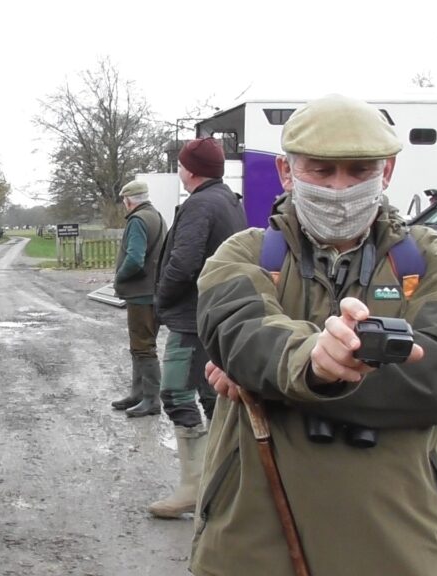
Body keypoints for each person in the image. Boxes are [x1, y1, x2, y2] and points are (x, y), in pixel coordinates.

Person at [193, 94, 437, 574]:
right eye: (321, 170)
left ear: (386, 172)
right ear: (287, 172)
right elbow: (240, 332)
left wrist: (282, 381)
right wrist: (311, 359)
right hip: (254, 543)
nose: (340, 187)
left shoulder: (434, 260)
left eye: (358, 170)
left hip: (402, 541)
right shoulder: (241, 255)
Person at [149, 137, 246, 518]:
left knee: (176, 394)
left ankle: (196, 486)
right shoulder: (228, 200)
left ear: (189, 169)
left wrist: (161, 300)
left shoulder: (200, 204)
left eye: (180, 164)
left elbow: (184, 263)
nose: (178, 169)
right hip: (216, 316)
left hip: (193, 320)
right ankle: (222, 487)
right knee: (212, 398)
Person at [110, 180, 167, 417]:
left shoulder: (137, 221)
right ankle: (138, 394)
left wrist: (118, 279)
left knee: (143, 347)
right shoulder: (156, 216)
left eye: (125, 201)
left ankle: (151, 399)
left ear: (129, 200)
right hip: (154, 291)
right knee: (141, 346)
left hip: (141, 294)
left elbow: (134, 259)